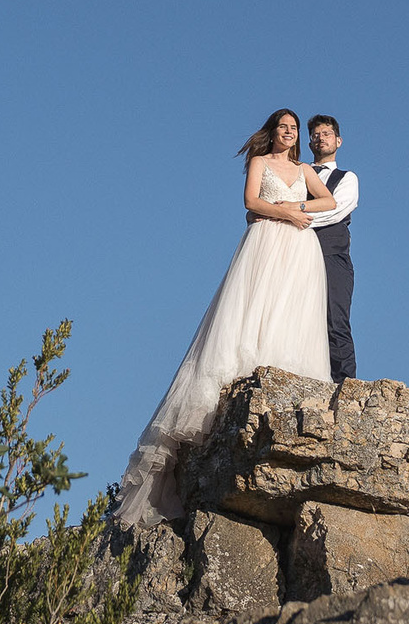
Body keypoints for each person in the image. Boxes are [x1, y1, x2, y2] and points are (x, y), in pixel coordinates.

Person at [115, 108, 336, 524]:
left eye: (293, 129)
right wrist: (282, 211)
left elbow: (330, 199)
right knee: (252, 304)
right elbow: (250, 201)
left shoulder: (304, 168)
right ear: (272, 132)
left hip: (298, 246)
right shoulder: (260, 162)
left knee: (290, 308)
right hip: (267, 238)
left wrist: (298, 205)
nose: (289, 133)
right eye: (283, 128)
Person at [303, 114, 359, 381]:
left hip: (331, 255)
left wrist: (295, 219)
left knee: (335, 319)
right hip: (295, 253)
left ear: (338, 140)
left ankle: (344, 383)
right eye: (315, 134)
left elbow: (335, 211)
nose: (320, 137)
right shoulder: (298, 174)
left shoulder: (347, 178)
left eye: (326, 133)